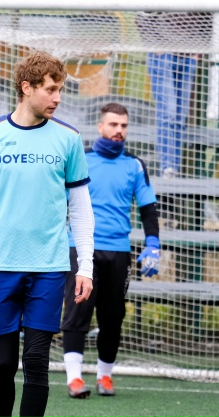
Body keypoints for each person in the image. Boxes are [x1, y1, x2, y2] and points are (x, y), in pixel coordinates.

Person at [0, 51, 95, 417]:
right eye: (50, 90)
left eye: (59, 90)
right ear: (26, 88)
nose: (57, 98)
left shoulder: (69, 139)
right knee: (3, 364)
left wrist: (86, 266)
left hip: (49, 268)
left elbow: (80, 207)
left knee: (37, 362)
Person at [61, 103, 160, 398]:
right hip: (81, 248)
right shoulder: (80, 160)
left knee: (113, 317)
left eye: (123, 126)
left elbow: (148, 208)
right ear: (100, 127)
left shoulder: (135, 165)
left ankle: (105, 377)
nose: (119, 130)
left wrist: (153, 244)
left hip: (118, 251)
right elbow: (57, 200)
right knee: (77, 312)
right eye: (113, 124)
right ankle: (74, 379)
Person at [136, 12, 212, 178]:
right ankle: (167, 167)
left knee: (180, 116)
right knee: (168, 113)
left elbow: (207, 13)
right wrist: (154, 44)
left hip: (188, 54)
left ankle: (174, 170)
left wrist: (200, 49)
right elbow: (141, 12)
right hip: (163, 54)